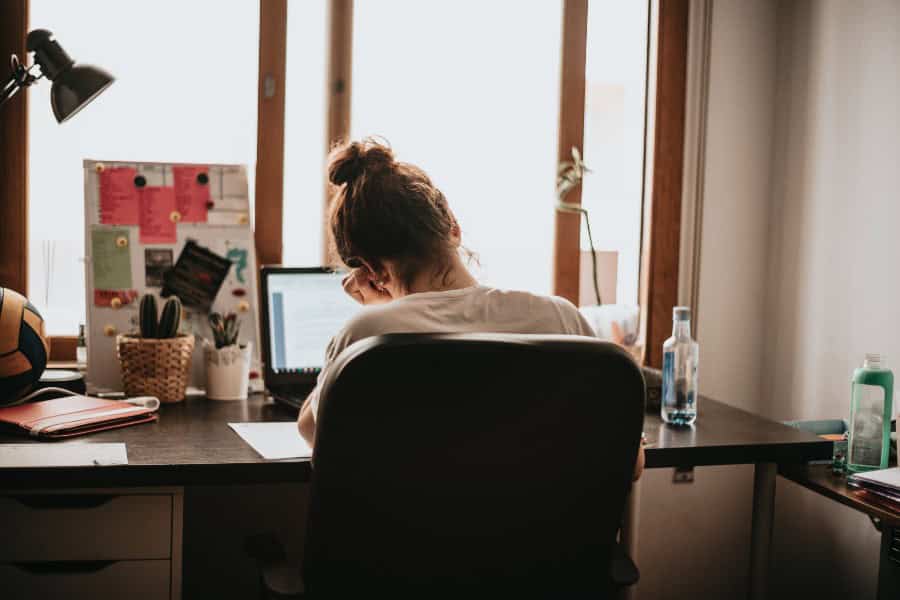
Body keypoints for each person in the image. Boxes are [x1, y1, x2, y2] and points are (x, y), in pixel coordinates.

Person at [297, 138, 644, 479]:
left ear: (371, 272)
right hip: (543, 534)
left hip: (412, 535)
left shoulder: (366, 338)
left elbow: (317, 436)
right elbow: (631, 463)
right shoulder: (560, 318)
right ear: (453, 227)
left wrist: (382, 313)